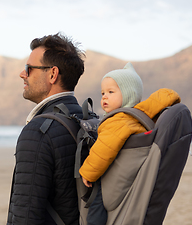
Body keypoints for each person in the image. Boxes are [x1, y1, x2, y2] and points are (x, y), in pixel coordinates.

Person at [78, 63, 181, 224]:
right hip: (133, 177)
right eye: (103, 93)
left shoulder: (118, 121)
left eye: (111, 92)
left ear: (128, 94)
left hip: (114, 181)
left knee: (95, 205)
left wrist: (88, 172)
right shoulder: (139, 118)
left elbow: (103, 150)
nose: (104, 96)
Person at [7, 33, 85, 225]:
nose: (22, 74)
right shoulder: (86, 120)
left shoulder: (38, 132)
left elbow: (25, 217)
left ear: (52, 74)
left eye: (29, 69)